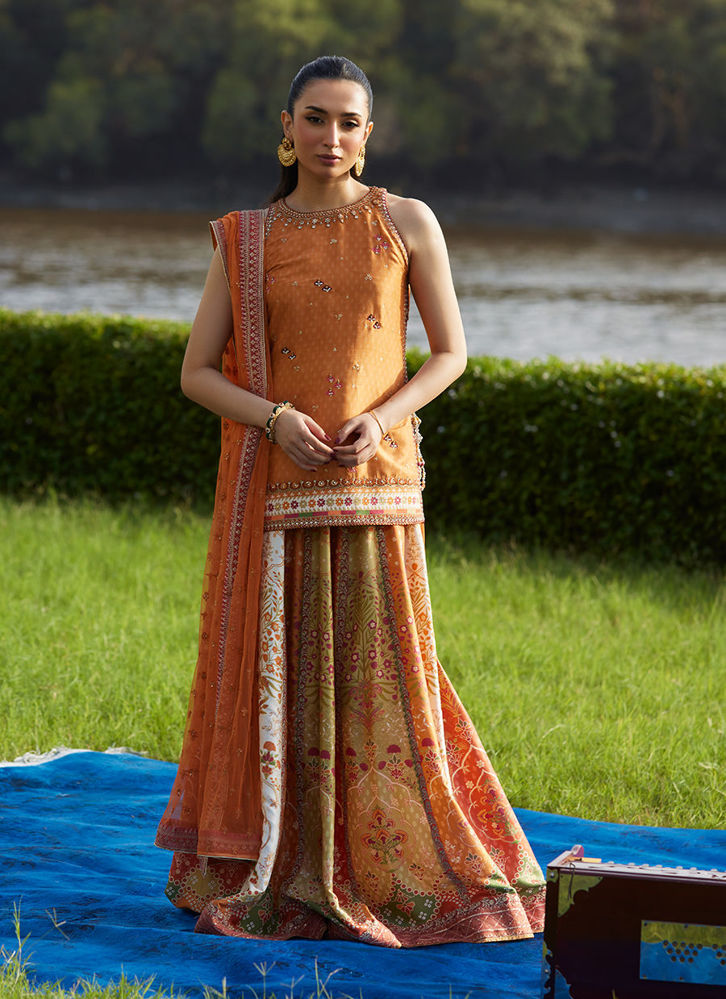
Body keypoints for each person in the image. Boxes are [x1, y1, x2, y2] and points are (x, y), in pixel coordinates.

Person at [155, 55, 545, 947]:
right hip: (280, 488)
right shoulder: (245, 238)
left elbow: (449, 352)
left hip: (377, 485)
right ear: (285, 127)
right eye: (315, 118)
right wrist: (274, 418)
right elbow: (197, 372)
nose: (331, 137)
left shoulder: (406, 221)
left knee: (385, 678)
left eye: (348, 121)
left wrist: (382, 417)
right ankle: (282, 861)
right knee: (284, 682)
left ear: (369, 134)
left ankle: (393, 860)